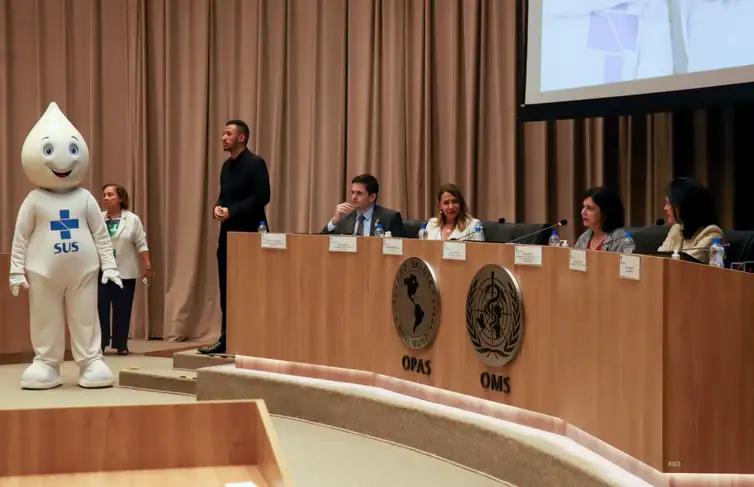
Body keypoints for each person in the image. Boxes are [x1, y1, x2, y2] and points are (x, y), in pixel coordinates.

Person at [9, 102, 120, 389]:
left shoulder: (84, 198)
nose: (62, 160)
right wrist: (15, 271)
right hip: (42, 272)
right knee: (45, 317)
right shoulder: (34, 200)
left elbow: (100, 234)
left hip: (83, 271)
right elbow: (20, 237)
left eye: (73, 150)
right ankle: (46, 362)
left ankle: (91, 360)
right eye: (48, 151)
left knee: (86, 316)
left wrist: (110, 265)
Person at [199, 120, 270, 355]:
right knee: (227, 287)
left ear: (242, 138)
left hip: (250, 235)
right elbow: (223, 195)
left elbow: (262, 196)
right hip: (227, 234)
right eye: (223, 132)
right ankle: (226, 338)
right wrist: (218, 208)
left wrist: (233, 211)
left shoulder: (255, 163)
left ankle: (254, 338)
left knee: (250, 288)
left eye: (228, 133)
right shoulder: (225, 166)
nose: (223, 137)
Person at [98, 184, 153, 355]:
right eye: (104, 195)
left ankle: (121, 344)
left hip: (125, 271)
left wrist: (148, 266)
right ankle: (100, 343)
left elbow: (141, 243)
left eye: (110, 195)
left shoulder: (132, 219)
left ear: (120, 198)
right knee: (101, 308)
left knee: (122, 308)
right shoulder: (98, 218)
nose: (106, 198)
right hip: (101, 271)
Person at [658, 177, 722, 263]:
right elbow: (659, 258)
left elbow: (687, 265)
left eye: (669, 203)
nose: (665, 208)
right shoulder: (677, 228)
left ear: (683, 206)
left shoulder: (711, 234)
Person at [322, 174, 405, 237]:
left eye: (359, 193)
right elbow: (321, 243)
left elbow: (400, 247)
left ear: (372, 197)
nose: (353, 197)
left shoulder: (390, 218)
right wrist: (334, 221)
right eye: (353, 192)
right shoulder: (344, 217)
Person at [574, 186, 628, 252]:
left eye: (589, 208)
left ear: (605, 212)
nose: (582, 212)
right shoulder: (584, 237)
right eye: (583, 207)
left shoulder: (620, 239)